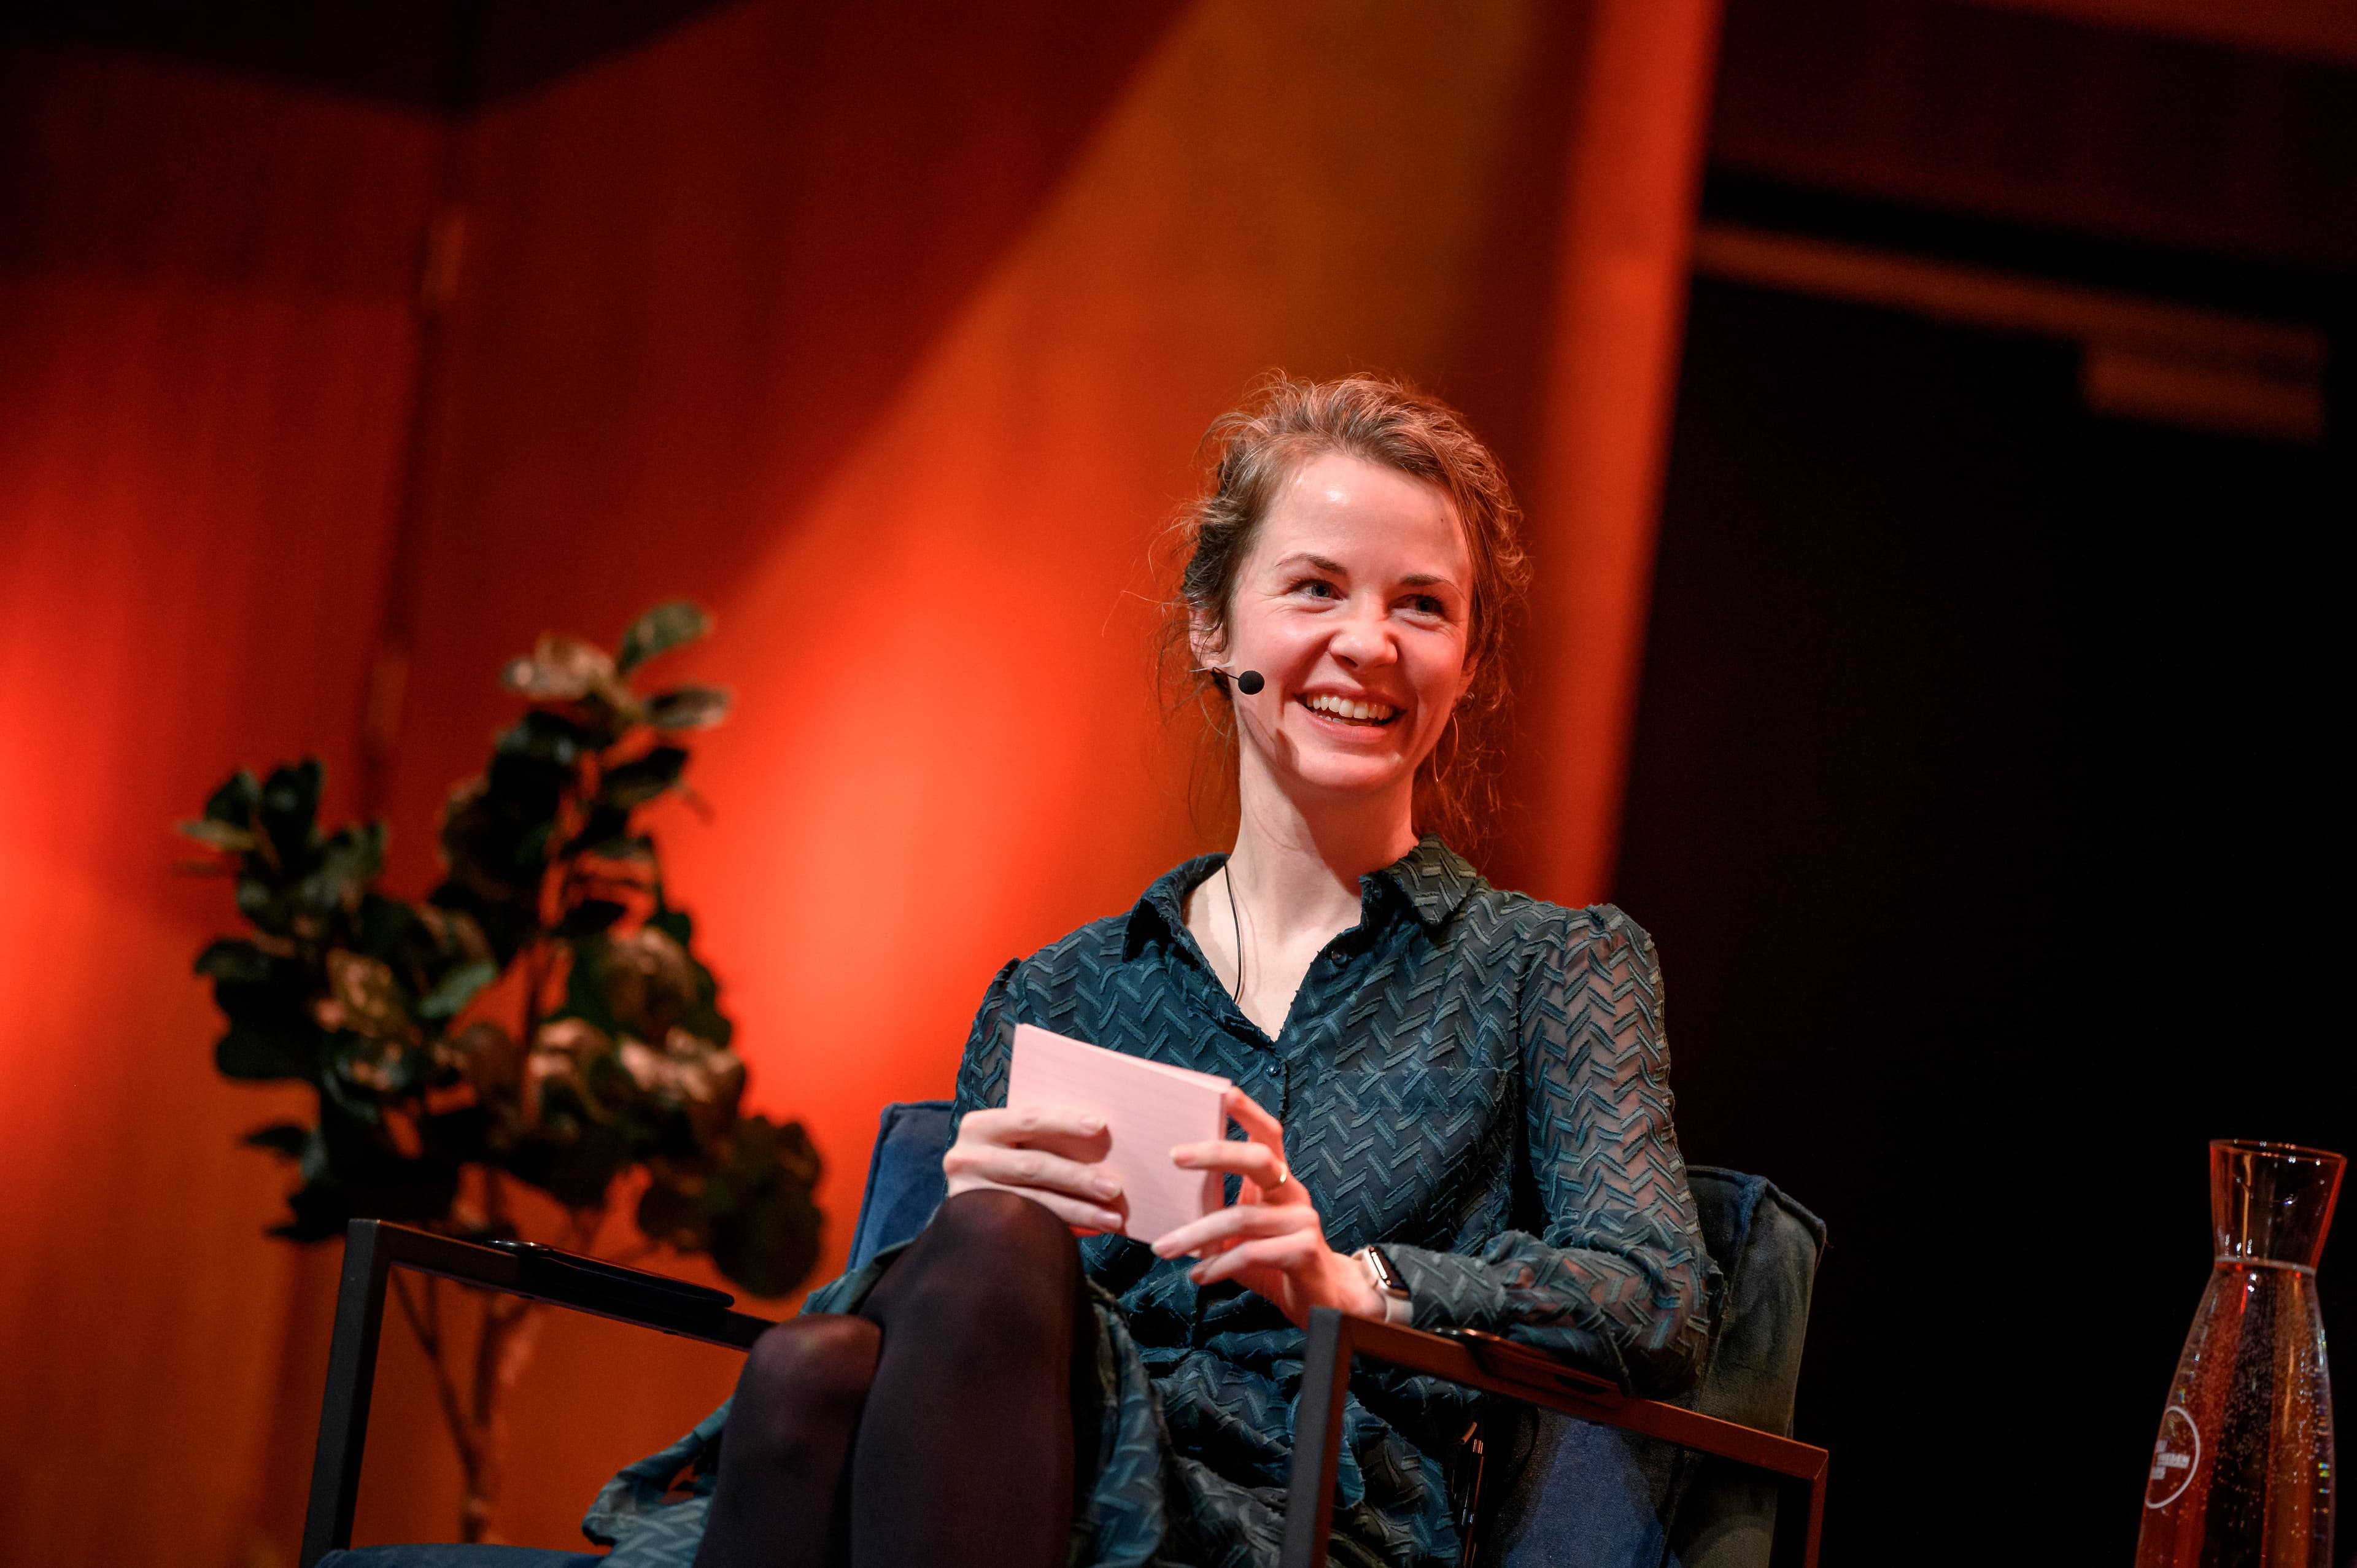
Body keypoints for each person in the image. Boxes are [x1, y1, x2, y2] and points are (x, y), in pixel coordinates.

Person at [584, 373, 1716, 1568]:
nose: (1369, 642)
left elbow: (1653, 1291)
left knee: (820, 1374)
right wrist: (951, 1229)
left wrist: (1356, 1282)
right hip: (1022, 1459)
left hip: (1306, 1503)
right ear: (1212, 628)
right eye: (1317, 588)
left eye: (1423, 606)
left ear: (1469, 663)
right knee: (918, 1296)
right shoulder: (1057, 989)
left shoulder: (1550, 965)